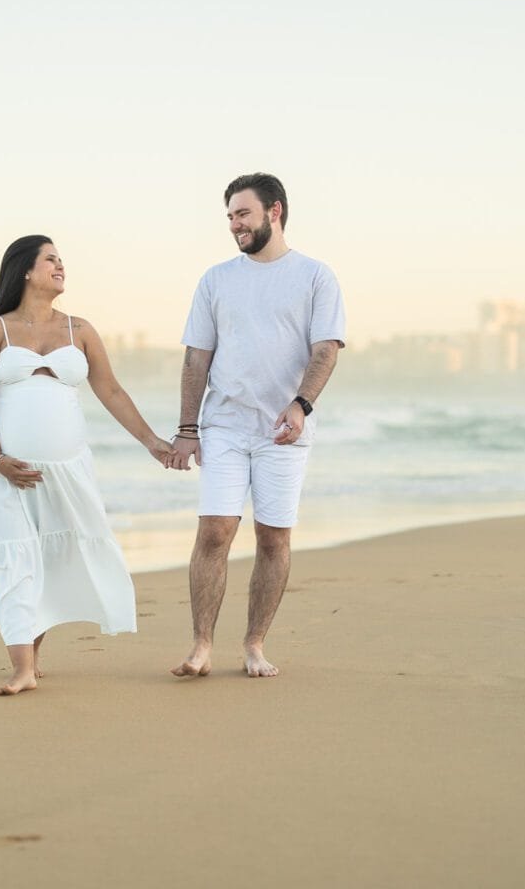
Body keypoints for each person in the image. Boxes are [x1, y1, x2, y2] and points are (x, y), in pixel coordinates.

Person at [0, 235, 174, 696]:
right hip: (6, 471)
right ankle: (21, 669)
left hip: (67, 471)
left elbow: (112, 392)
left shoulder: (80, 330)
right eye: (50, 260)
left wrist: (153, 443)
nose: (61, 266)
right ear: (24, 270)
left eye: (62, 260)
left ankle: (32, 657)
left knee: (51, 562)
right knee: (17, 559)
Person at [169, 173, 346, 678]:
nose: (233, 225)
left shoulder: (315, 276)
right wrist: (188, 428)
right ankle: (202, 646)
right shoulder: (216, 279)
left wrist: (300, 404)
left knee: (273, 540)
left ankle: (254, 645)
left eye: (242, 214)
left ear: (275, 212)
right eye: (229, 216)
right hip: (224, 424)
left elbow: (326, 349)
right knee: (215, 531)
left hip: (283, 431)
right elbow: (195, 358)